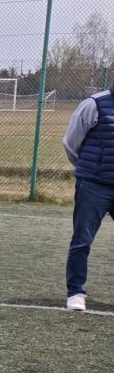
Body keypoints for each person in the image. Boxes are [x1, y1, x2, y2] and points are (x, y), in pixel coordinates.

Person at [63, 82, 114, 311]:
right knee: (82, 240)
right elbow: (71, 143)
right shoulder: (94, 104)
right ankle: (75, 292)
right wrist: (90, 170)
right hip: (94, 186)